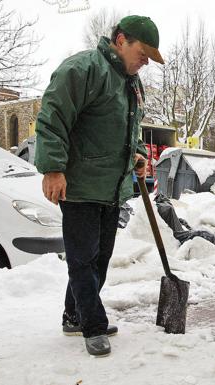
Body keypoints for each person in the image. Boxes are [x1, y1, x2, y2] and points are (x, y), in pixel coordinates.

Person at [34, 15, 164, 357]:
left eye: (151, 57)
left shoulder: (131, 83)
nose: (146, 61)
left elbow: (132, 129)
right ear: (121, 40)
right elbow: (52, 118)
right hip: (79, 185)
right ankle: (92, 324)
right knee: (82, 260)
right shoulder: (82, 70)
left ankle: (74, 315)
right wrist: (52, 169)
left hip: (111, 187)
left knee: (100, 259)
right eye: (143, 52)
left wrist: (137, 153)